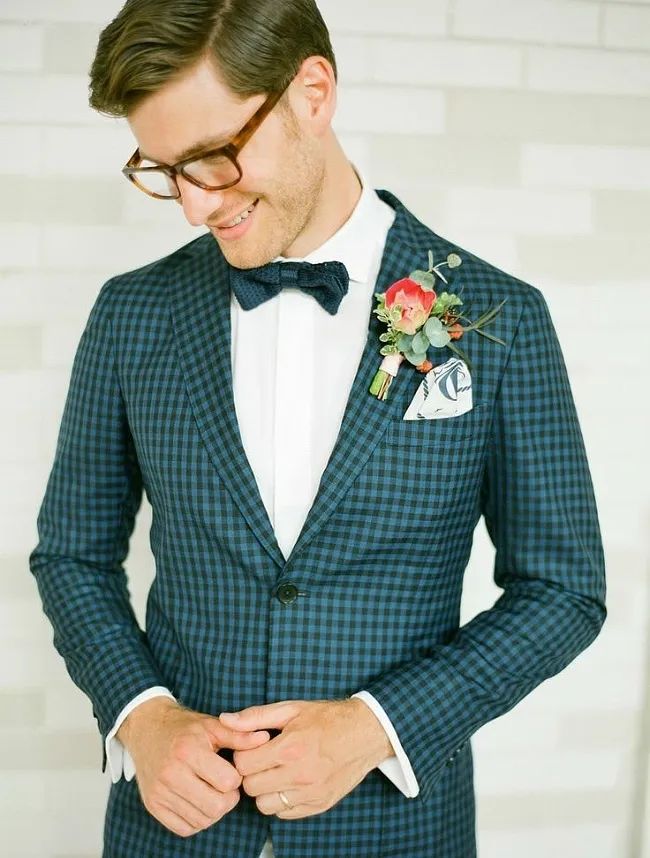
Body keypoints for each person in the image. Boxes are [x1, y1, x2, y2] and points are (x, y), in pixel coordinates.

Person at [28, 1, 607, 856]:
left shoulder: (498, 318)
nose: (194, 206)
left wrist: (377, 725)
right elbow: (72, 555)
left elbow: (563, 591)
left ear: (312, 92)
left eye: (214, 157)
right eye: (166, 172)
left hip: (397, 831)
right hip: (174, 834)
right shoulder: (131, 313)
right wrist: (141, 717)